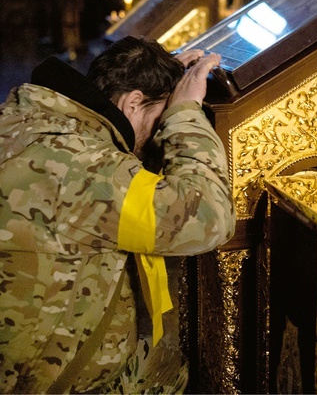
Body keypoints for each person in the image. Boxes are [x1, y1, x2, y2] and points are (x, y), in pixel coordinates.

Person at [0, 36, 236, 394]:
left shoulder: (33, 122)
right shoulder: (82, 167)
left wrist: (161, 78)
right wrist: (185, 113)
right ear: (133, 101)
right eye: (159, 120)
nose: (160, 134)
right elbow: (209, 217)